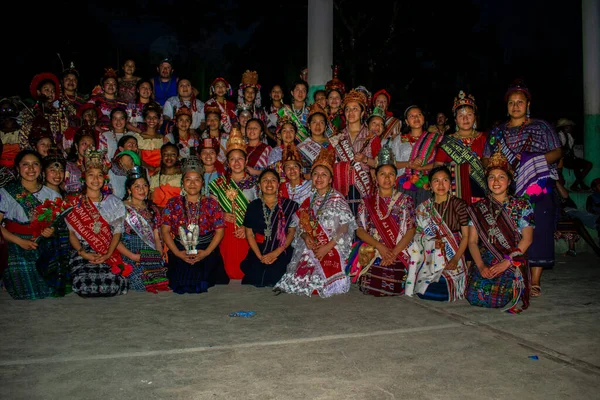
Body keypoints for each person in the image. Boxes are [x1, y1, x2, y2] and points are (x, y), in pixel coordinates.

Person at [483, 79, 562, 297]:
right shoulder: (497, 132)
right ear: (506, 105)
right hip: (508, 186)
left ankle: (535, 279)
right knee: (509, 229)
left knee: (540, 227)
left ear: (528, 104)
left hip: (538, 184)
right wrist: (496, 165)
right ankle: (511, 273)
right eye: (511, 102)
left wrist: (532, 163)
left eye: (520, 102)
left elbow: (557, 152)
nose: (515, 106)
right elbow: (486, 159)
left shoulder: (542, 126)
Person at [274, 147, 356, 297]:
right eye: (315, 174)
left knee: (318, 283)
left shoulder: (337, 199)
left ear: (331, 179)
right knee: (297, 280)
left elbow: (344, 227)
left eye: (323, 175)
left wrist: (327, 247)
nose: (319, 178)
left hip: (332, 245)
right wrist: (305, 237)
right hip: (311, 245)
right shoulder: (309, 200)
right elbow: (299, 225)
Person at [466, 149, 534, 313]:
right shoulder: (477, 208)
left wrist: (506, 263)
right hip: (486, 257)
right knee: (473, 296)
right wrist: (481, 265)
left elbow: (527, 239)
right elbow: (472, 241)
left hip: (511, 258)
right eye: (491, 177)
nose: (496, 181)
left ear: (509, 181)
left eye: (501, 177)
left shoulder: (522, 205)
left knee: (496, 299)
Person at [349, 146, 416, 297]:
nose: (387, 178)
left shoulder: (406, 200)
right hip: (374, 247)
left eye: (391, 174)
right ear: (375, 177)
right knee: (372, 280)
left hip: (399, 249)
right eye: (382, 174)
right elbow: (360, 230)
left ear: (395, 178)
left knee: (391, 276)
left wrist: (393, 253)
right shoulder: (366, 201)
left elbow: (411, 230)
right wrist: (381, 247)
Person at [65, 148, 130, 297]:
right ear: (84, 177)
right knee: (84, 284)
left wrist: (108, 254)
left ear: (105, 178)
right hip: (83, 249)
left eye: (100, 175)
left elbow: (117, 232)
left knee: (114, 283)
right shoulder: (73, 202)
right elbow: (72, 233)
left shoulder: (114, 202)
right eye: (91, 175)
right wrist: (83, 253)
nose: (96, 180)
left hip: (107, 247)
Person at [0, 150, 60, 299]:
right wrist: (20, 241)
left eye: (35, 164)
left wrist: (50, 232)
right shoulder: (7, 192)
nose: (31, 169)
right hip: (14, 243)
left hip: (42, 243)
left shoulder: (52, 194)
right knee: (27, 292)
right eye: (25, 165)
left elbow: (57, 226)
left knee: (49, 290)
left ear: (41, 168)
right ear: (17, 168)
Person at [161, 153, 226, 293]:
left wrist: (206, 253)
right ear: (182, 182)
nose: (192, 184)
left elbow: (220, 231)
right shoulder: (173, 203)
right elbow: (165, 231)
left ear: (202, 182)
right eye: (188, 180)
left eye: (197, 180)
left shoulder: (211, 203)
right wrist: (178, 253)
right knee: (181, 280)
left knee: (200, 279)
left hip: (205, 248)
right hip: (180, 248)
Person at [405, 166, 470, 301]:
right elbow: (416, 235)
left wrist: (455, 259)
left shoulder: (459, 205)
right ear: (429, 185)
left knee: (441, 291)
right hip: (430, 257)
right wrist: (430, 241)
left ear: (450, 183)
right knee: (425, 291)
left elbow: (466, 236)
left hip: (453, 253)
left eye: (445, 180)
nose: (441, 185)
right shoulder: (423, 208)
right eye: (436, 181)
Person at [209, 128, 258, 280]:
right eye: (232, 159)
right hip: (226, 229)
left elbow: (259, 211)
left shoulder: (256, 184)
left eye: (240, 159)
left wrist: (247, 227)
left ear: (246, 161)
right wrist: (222, 215)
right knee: (228, 268)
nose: (237, 163)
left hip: (248, 229)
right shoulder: (218, 184)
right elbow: (211, 210)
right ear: (228, 163)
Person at [241, 168, 299, 287]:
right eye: (265, 180)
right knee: (253, 278)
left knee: (274, 277)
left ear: (278, 184)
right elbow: (249, 234)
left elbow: (291, 232)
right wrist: (260, 256)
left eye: (272, 180)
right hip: (259, 249)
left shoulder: (290, 206)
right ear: (259, 185)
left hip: (281, 249)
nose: (269, 184)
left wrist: (275, 253)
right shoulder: (253, 206)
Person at [330, 89, 380, 216]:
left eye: (355, 109)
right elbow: (329, 163)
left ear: (362, 112)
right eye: (347, 109)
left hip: (364, 187)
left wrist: (365, 160)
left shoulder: (371, 137)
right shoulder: (337, 137)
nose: (350, 113)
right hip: (342, 187)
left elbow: (381, 164)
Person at [434, 91, 487, 205]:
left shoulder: (484, 138)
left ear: (475, 117)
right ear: (455, 120)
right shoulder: (447, 141)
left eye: (469, 114)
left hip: (480, 189)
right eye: (461, 116)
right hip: (454, 191)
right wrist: (459, 169)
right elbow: (437, 167)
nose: (465, 119)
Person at [393, 105, 444, 208]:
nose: (416, 118)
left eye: (419, 115)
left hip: (427, 184)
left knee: (424, 217)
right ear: (407, 121)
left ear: (423, 118)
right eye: (412, 116)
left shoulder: (434, 139)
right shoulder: (399, 139)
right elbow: (392, 163)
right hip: (405, 184)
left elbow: (439, 163)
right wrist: (408, 164)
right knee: (404, 215)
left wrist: (421, 168)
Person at [555, 118, 593, 192]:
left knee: (588, 165)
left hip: (569, 159)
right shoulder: (558, 136)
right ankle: (579, 185)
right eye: (569, 126)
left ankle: (576, 184)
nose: (571, 128)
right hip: (561, 160)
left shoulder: (569, 136)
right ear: (564, 127)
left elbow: (569, 149)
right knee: (576, 165)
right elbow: (560, 150)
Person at [64, 126, 96, 194]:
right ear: (76, 146)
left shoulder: (99, 166)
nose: (88, 147)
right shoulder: (68, 166)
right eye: (84, 144)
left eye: (92, 145)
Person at [149, 143, 182, 210]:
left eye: (173, 154)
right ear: (161, 156)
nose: (169, 157)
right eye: (165, 154)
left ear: (178, 156)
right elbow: (151, 198)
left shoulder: (182, 176)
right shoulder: (156, 176)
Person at [325, 66, 346, 132]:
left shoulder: (345, 115)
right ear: (327, 101)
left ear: (341, 100)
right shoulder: (323, 114)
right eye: (331, 97)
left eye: (337, 97)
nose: (334, 100)